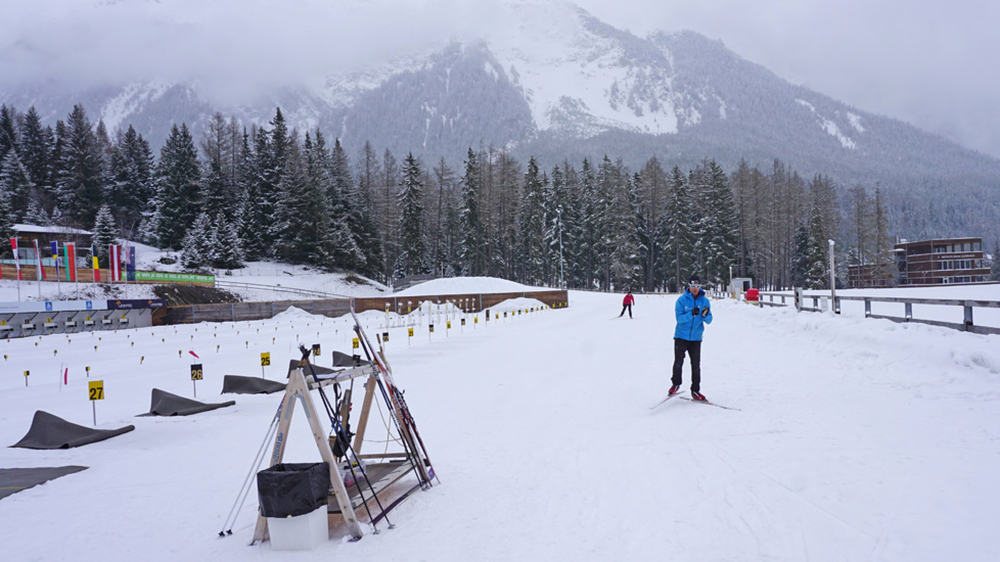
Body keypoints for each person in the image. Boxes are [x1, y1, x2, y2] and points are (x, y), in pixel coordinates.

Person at [670, 275, 712, 401]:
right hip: (681, 336)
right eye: (693, 286)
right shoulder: (682, 300)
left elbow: (709, 320)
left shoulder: (705, 301)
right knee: (678, 362)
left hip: (696, 338)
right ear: (689, 286)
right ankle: (676, 383)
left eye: (698, 286)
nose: (695, 289)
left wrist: (704, 316)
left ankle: (695, 390)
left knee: (696, 365)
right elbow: (679, 319)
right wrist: (691, 314)